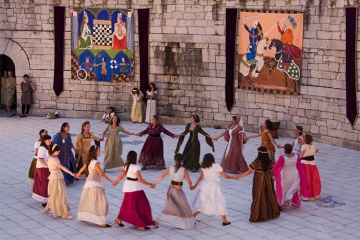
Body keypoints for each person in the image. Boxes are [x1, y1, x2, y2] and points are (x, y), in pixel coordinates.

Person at [112, 150, 158, 230]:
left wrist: (115, 182)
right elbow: (140, 179)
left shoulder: (125, 165)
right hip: (135, 188)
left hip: (127, 186)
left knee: (128, 204)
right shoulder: (136, 167)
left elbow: (121, 176)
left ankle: (119, 219)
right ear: (135, 157)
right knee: (141, 204)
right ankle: (140, 223)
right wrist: (149, 184)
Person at [235, 146, 281, 222]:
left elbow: (249, 171)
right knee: (268, 194)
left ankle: (258, 214)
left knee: (259, 195)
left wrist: (239, 176)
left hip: (259, 180)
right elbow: (272, 173)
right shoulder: (270, 161)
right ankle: (271, 212)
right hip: (268, 180)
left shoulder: (257, 161)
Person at [191, 153, 237, 226]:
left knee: (201, 203)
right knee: (220, 202)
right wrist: (233, 177)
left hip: (205, 186)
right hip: (214, 187)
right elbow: (225, 176)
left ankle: (192, 218)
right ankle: (224, 221)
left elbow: (200, 178)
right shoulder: (216, 166)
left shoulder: (204, 167)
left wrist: (194, 186)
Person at [152, 153, 195, 230]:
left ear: (175, 160)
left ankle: (160, 220)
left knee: (173, 207)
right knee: (184, 207)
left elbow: (162, 176)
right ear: (182, 160)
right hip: (177, 191)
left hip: (171, 190)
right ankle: (183, 222)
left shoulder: (170, 168)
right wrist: (191, 186)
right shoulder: (183, 170)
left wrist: (155, 183)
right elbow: (189, 181)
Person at [77, 145, 114, 228]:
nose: (100, 151)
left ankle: (87, 216)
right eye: (99, 150)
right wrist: (111, 181)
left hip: (89, 183)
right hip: (95, 183)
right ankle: (100, 222)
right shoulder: (95, 162)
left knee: (90, 201)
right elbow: (102, 174)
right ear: (95, 152)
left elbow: (84, 167)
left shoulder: (90, 160)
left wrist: (78, 174)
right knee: (102, 202)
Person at [44, 144, 75, 220]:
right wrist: (72, 173)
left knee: (54, 193)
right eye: (57, 150)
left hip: (56, 177)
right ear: (53, 151)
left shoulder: (53, 157)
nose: (59, 151)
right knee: (61, 195)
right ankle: (64, 214)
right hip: (56, 178)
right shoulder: (53, 159)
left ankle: (48, 208)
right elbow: (62, 167)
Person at [273, 144, 304, 208]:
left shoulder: (282, 157)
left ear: (284, 150)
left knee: (283, 188)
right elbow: (299, 165)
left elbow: (276, 166)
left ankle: (282, 203)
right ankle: (293, 201)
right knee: (292, 187)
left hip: (286, 174)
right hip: (295, 173)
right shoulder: (296, 156)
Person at [300, 134, 321, 201]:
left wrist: (298, 158)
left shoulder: (304, 146)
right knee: (313, 179)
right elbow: (317, 150)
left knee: (306, 179)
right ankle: (314, 194)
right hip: (312, 164)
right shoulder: (313, 146)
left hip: (305, 164)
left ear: (305, 140)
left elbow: (302, 154)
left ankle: (306, 194)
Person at [32, 135, 52, 207]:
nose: (49, 141)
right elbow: (40, 159)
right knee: (44, 183)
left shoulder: (49, 147)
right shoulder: (42, 148)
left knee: (48, 183)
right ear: (44, 141)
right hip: (42, 168)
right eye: (48, 140)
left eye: (50, 139)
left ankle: (49, 198)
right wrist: (47, 166)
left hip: (48, 167)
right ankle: (44, 201)